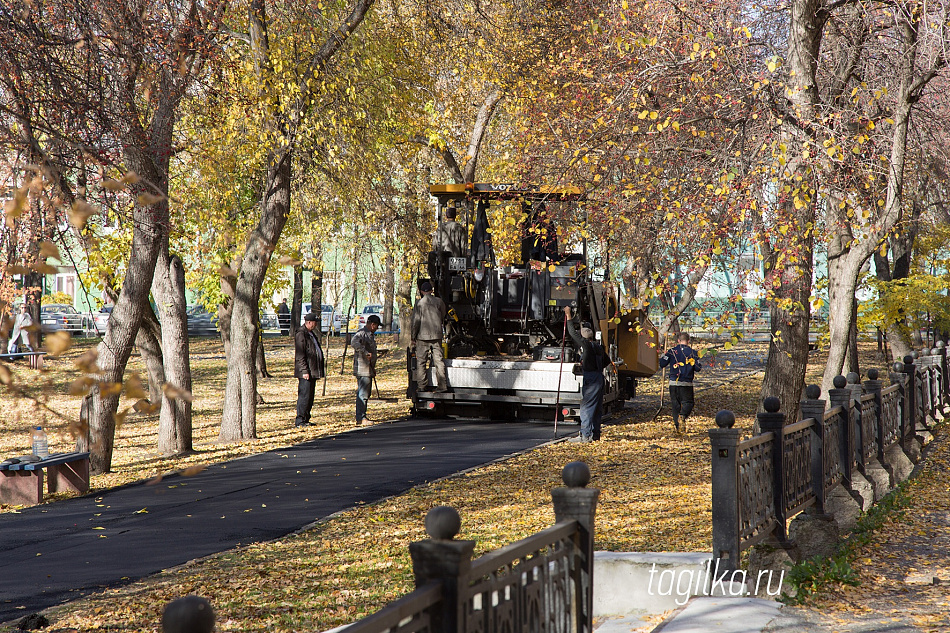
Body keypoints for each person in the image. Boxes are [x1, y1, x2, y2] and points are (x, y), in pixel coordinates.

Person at [563, 307, 607, 442]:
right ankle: (595, 434)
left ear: (584, 338)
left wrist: (568, 315)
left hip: (591, 378)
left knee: (586, 407)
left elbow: (572, 333)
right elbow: (607, 361)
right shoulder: (598, 347)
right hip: (599, 377)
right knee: (596, 408)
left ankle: (585, 436)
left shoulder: (586, 346)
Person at [659, 331, 702, 433]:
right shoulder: (693, 353)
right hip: (686, 383)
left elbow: (662, 364)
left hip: (673, 383)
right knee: (688, 403)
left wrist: (662, 355)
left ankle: (678, 427)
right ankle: (682, 415)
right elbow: (698, 368)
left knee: (675, 405)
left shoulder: (672, 351)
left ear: (678, 341)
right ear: (688, 341)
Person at [411, 281, 448, 393]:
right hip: (437, 335)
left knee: (421, 362)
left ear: (422, 292)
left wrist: (413, 337)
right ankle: (442, 386)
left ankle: (422, 386)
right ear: (432, 290)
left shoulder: (419, 303)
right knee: (439, 361)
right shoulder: (438, 301)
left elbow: (416, 321)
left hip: (422, 337)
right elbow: (443, 315)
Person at [293, 313, 325, 427]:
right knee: (304, 396)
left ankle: (306, 418)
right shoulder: (301, 334)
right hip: (306, 372)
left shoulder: (311, 334)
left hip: (313, 370)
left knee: (310, 396)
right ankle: (300, 420)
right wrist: (304, 370)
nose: (316, 325)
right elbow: (300, 355)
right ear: (309, 322)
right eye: (315, 322)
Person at [352, 314, 381, 425]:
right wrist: (364, 352)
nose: (377, 328)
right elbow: (354, 343)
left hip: (368, 368)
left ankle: (362, 415)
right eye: (376, 326)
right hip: (362, 368)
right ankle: (361, 417)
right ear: (372, 324)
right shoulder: (362, 334)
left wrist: (373, 368)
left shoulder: (370, 335)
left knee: (366, 393)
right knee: (363, 394)